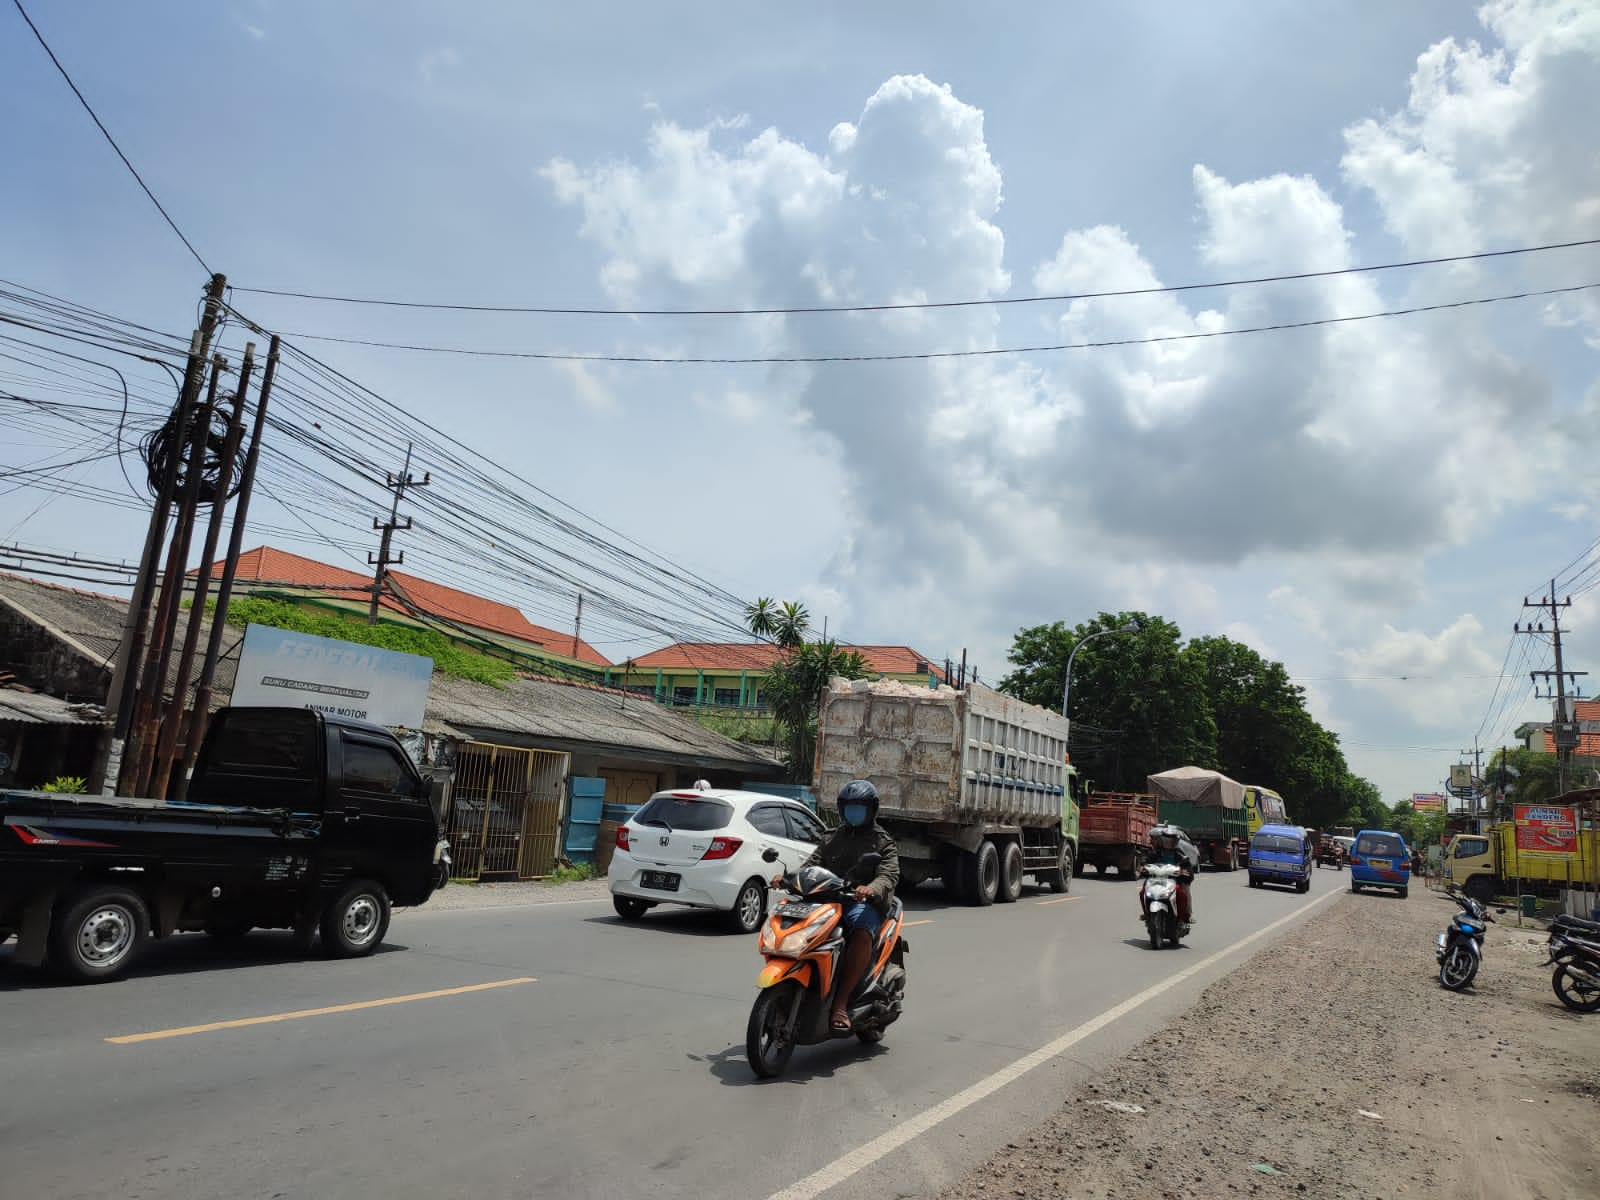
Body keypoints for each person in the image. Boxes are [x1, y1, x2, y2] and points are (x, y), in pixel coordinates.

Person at [774, 778, 899, 1034]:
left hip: (860, 902)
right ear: (842, 809)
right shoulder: (832, 837)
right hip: (828, 898)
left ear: (871, 809)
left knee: (862, 931)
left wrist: (871, 888)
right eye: (849, 807)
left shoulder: (882, 842)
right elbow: (813, 864)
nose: (853, 812)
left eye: (859, 807)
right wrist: (788, 878)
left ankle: (840, 1004)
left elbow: (888, 875)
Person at [1141, 823, 1196, 925]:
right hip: (1157, 879)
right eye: (1166, 840)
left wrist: (1184, 872)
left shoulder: (1179, 854)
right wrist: (1143, 867)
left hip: (1174, 881)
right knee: (1143, 891)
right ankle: (1146, 913)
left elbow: (1188, 867)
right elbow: (1146, 860)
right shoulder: (1156, 853)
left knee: (1183, 893)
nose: (1168, 843)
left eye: (1171, 841)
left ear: (1176, 842)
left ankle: (1184, 917)